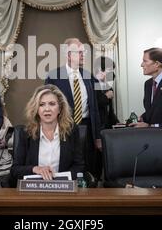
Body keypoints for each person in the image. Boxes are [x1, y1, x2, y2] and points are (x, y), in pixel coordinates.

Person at [45, 38, 101, 179]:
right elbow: (48, 106)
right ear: (69, 55)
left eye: (84, 52)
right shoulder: (54, 76)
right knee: (69, 168)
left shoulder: (88, 76)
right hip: (64, 128)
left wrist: (98, 136)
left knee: (89, 168)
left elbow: (95, 108)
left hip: (87, 128)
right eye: (80, 52)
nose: (83, 55)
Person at [10, 84, 84, 182]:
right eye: (41, 104)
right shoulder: (26, 133)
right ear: (36, 110)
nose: (47, 109)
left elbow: (79, 166)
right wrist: (36, 169)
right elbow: (15, 170)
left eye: (52, 104)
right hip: (33, 190)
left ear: (60, 108)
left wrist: (59, 178)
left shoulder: (71, 130)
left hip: (62, 188)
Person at [94, 56, 119, 130]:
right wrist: (106, 97)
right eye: (110, 70)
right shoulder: (90, 84)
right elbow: (93, 105)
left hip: (107, 128)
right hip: (95, 128)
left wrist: (116, 122)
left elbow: (109, 111)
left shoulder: (109, 87)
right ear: (99, 69)